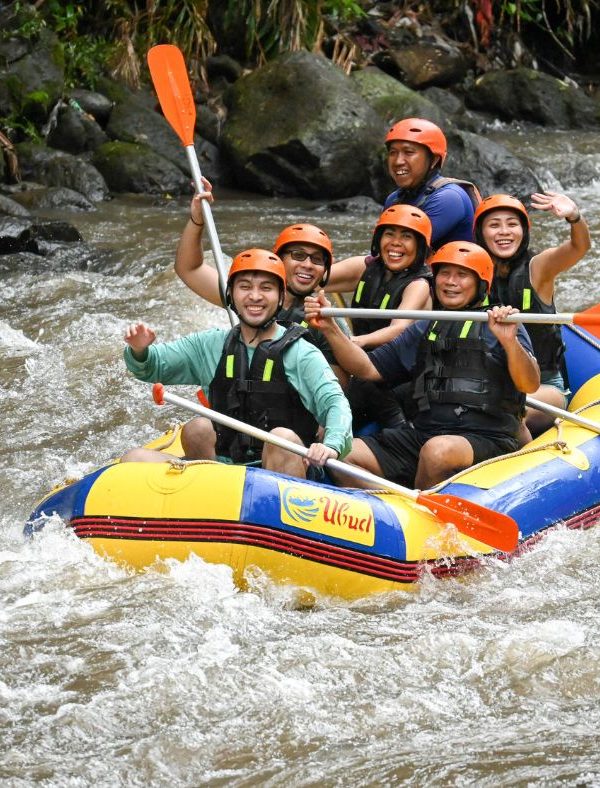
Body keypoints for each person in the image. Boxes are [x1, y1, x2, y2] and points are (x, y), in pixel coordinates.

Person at [304, 241, 540, 490]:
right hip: (425, 433)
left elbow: (530, 384)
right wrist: (330, 329)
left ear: (481, 284)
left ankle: (418, 512)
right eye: (445, 274)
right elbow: (366, 368)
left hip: (490, 438)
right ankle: (387, 510)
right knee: (345, 454)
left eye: (461, 275)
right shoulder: (426, 327)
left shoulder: (504, 325)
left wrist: (509, 342)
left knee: (436, 451)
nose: (450, 282)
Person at [121, 248, 353, 480]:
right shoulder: (211, 344)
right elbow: (153, 366)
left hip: (283, 471)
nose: (255, 296)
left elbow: (335, 404)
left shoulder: (301, 352)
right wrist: (140, 350)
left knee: (283, 439)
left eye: (266, 288)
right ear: (231, 295)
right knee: (187, 434)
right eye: (245, 287)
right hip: (226, 472)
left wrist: (331, 445)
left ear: (281, 296)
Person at [175, 179, 349, 385]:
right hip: (248, 400)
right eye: (298, 255)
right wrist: (197, 220)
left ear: (325, 271)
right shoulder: (251, 297)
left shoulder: (327, 321)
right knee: (200, 420)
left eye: (317, 260)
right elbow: (189, 269)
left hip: (291, 410)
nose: (308, 265)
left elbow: (341, 388)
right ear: (279, 260)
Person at [473, 191, 591, 437]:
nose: (504, 231)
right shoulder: (467, 276)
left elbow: (579, 247)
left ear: (524, 232)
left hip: (545, 386)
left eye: (512, 224)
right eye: (494, 225)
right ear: (480, 234)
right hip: (490, 383)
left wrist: (574, 217)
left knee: (503, 411)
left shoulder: (538, 268)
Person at [324, 204, 434, 429]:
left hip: (404, 371)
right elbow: (314, 279)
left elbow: (399, 328)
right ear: (378, 239)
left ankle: (401, 431)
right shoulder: (363, 267)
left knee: (364, 385)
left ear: (420, 246)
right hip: (363, 361)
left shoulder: (419, 284)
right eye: (389, 234)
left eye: (406, 237)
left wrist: (357, 342)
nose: (396, 243)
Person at [383, 118, 480, 249]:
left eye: (409, 152)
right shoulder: (394, 200)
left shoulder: (449, 198)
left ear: (434, 160)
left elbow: (402, 251)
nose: (398, 161)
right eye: (393, 153)